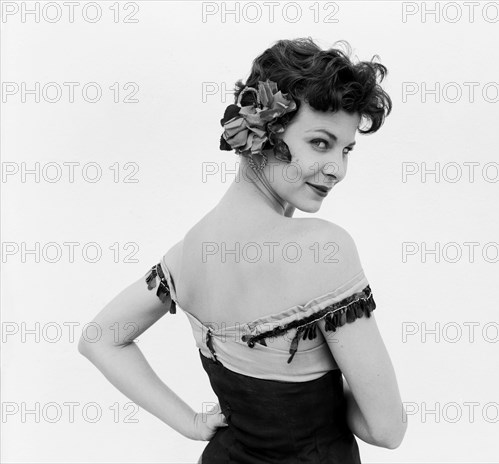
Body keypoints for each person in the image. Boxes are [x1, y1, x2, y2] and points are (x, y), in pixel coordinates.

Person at [78, 37, 407, 463]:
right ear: (264, 132)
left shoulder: (185, 255)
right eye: (321, 143)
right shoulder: (322, 249)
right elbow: (385, 429)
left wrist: (191, 424)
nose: (337, 169)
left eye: (346, 150)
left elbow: (99, 339)